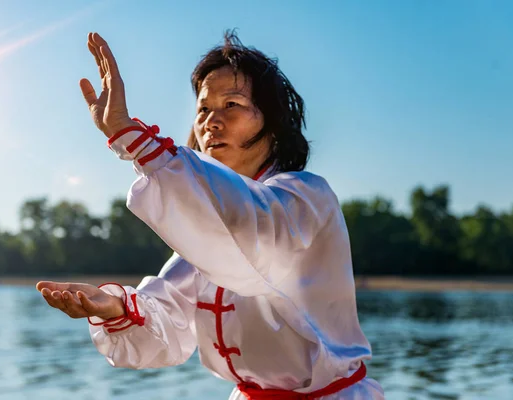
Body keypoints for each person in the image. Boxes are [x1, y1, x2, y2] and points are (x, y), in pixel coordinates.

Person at [37, 31, 384, 400]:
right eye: (203, 109)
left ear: (273, 120)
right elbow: (167, 316)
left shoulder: (305, 197)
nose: (211, 122)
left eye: (232, 104)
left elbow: (251, 236)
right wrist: (115, 306)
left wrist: (131, 137)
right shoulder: (209, 228)